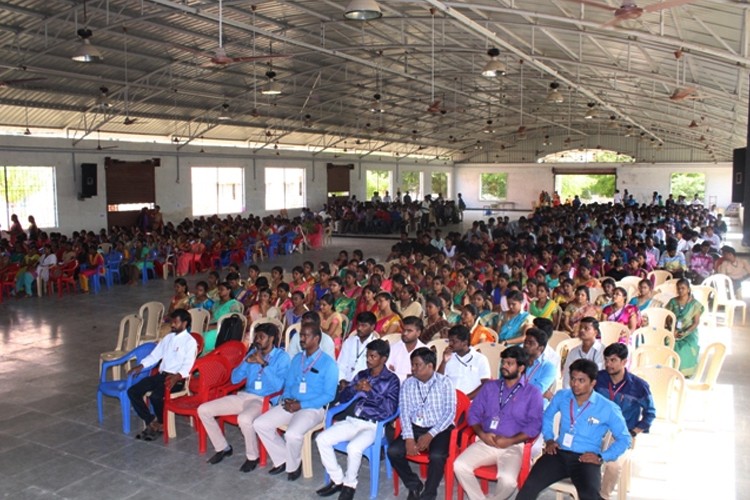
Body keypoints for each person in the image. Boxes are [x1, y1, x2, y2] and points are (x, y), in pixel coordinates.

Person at [516, 359, 631, 500]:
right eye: (573, 379)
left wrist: (602, 456)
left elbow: (625, 439)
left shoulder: (607, 408)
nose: (575, 384)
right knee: (528, 488)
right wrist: (549, 439)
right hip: (558, 454)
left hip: (586, 459)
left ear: (593, 383)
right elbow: (547, 417)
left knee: (590, 496)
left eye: (581, 380)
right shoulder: (562, 396)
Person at [197, 322, 290, 472]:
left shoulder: (282, 357)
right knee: (203, 409)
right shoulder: (251, 353)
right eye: (256, 337)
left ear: (272, 338)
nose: (257, 340)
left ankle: (252, 457)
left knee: (244, 419)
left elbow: (279, 386)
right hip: (244, 396)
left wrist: (264, 364)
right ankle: (223, 448)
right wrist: (246, 363)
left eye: (262, 337)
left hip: (263, 400)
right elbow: (234, 379)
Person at [454, 346, 544, 500]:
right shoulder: (490, 387)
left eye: (510, 363)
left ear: (521, 368)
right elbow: (474, 413)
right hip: (486, 441)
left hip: (513, 446)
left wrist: (511, 440)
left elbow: (534, 425)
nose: (504, 366)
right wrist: (482, 434)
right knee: (459, 465)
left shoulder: (532, 393)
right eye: (503, 362)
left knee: (508, 481)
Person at [315, 339, 400, 499]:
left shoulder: (392, 380)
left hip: (374, 426)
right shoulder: (362, 375)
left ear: (383, 358)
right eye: (367, 356)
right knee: (322, 439)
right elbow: (343, 397)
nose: (368, 359)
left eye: (373, 356)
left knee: (354, 448)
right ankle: (337, 479)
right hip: (354, 420)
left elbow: (390, 409)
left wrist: (371, 391)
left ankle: (350, 485)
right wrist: (354, 388)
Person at [254, 322, 338, 481]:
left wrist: (301, 405)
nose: (302, 339)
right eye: (301, 335)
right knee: (260, 423)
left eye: (306, 335)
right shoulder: (298, 358)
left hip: (313, 408)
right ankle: (283, 459)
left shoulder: (328, 363)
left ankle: (293, 466)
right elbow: (289, 383)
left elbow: (329, 395)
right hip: (291, 403)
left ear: (316, 339)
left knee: (292, 434)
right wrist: (286, 399)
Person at [387, 347, 456, 500]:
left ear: (430, 366)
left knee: (437, 456)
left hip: (439, 428)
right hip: (415, 427)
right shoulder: (408, 384)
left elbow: (450, 413)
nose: (413, 368)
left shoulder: (445, 383)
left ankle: (429, 493)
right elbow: (404, 412)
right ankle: (414, 484)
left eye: (417, 365)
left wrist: (430, 435)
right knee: (393, 451)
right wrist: (409, 438)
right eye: (413, 364)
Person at [595, 343, 656, 500]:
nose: (608, 364)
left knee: (612, 466)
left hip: (621, 435)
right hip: (595, 430)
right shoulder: (598, 378)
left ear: (624, 362)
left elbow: (650, 414)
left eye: (613, 360)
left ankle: (603, 496)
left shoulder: (639, 386)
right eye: (606, 360)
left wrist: (633, 432)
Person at [126, 309, 197, 441]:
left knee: (156, 397)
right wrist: (141, 366)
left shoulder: (190, 342)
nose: (172, 325)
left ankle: (161, 424)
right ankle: (152, 421)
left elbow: (188, 364)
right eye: (172, 322)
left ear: (184, 323)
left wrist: (177, 376)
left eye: (175, 322)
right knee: (133, 391)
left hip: (177, 379)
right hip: (161, 375)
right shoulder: (168, 338)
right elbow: (155, 355)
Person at [438, 325, 491, 398]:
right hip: (451, 399)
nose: (450, 344)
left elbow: (486, 384)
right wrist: (444, 362)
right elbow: (437, 381)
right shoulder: (449, 357)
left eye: (454, 341)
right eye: (450, 341)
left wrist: (465, 399)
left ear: (465, 343)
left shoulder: (480, 359)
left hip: (472, 401)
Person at [665, 278, 704, 376]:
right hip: (673, 330)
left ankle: (684, 372)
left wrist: (685, 333)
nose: (681, 290)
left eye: (683, 288)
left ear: (688, 289)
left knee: (685, 347)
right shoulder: (673, 302)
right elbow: (667, 317)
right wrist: (672, 329)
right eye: (679, 288)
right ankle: (670, 371)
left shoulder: (695, 304)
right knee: (668, 343)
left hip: (689, 332)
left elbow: (695, 323)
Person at [562, 317, 604, 389]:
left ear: (595, 332)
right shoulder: (573, 352)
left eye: (586, 328)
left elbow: (600, 374)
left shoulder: (602, 350)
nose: (582, 330)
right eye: (580, 327)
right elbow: (567, 375)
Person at [337, 311, 379, 383]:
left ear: (372, 327)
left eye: (363, 325)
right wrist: (342, 380)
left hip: (363, 386)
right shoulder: (349, 342)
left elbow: (374, 372)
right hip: (344, 382)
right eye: (358, 324)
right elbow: (340, 365)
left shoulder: (376, 346)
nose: (359, 328)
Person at [388, 316, 427, 382]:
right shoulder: (393, 348)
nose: (405, 333)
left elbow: (423, 376)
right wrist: (408, 376)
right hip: (395, 387)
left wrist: (397, 374)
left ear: (418, 333)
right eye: (403, 330)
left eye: (409, 331)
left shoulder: (425, 350)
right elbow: (387, 373)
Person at [522, 328, 557, 403]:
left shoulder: (548, 368)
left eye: (530, 343)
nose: (526, 345)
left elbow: (536, 393)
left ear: (540, 348)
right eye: (525, 342)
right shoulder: (519, 362)